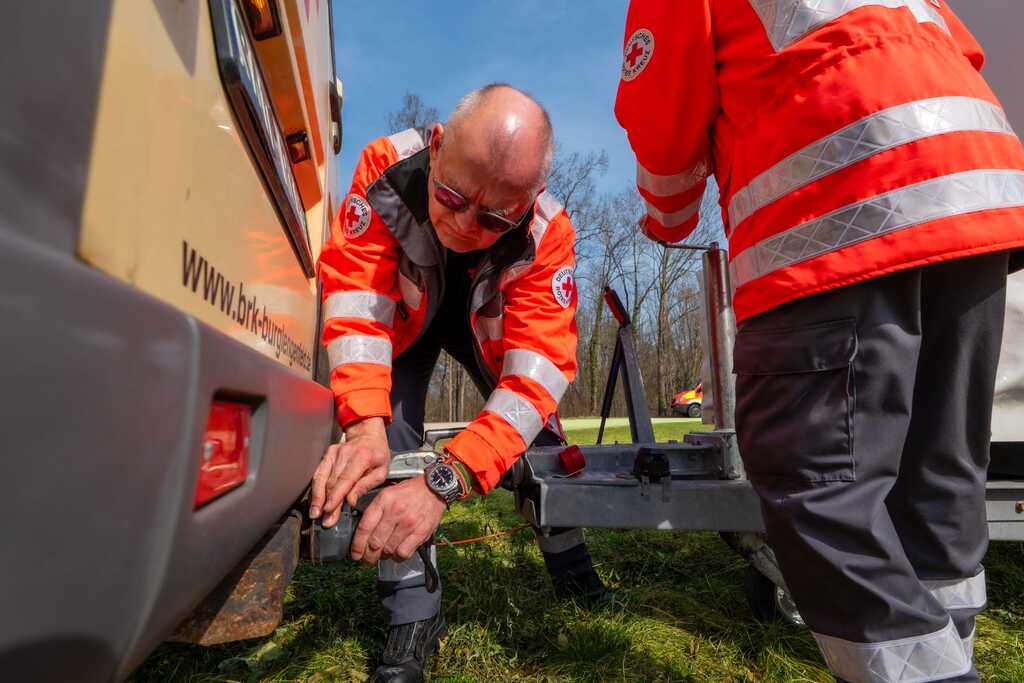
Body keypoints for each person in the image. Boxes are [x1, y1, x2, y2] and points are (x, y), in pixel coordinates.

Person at [615, 2, 1024, 681]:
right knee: (938, 468)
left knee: (816, 482)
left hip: (842, 201)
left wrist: (667, 216)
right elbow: (963, 49)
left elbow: (663, 106)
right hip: (979, 191)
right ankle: (950, 647)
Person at [311, 83, 609, 683]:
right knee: (389, 437)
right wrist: (363, 424)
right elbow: (357, 303)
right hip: (407, 325)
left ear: (529, 201)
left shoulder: (548, 234)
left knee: (542, 440)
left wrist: (445, 482)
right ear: (438, 144)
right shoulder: (386, 172)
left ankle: (571, 565)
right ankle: (412, 615)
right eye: (451, 196)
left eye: (495, 217)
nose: (466, 226)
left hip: (489, 334)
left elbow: (536, 375)